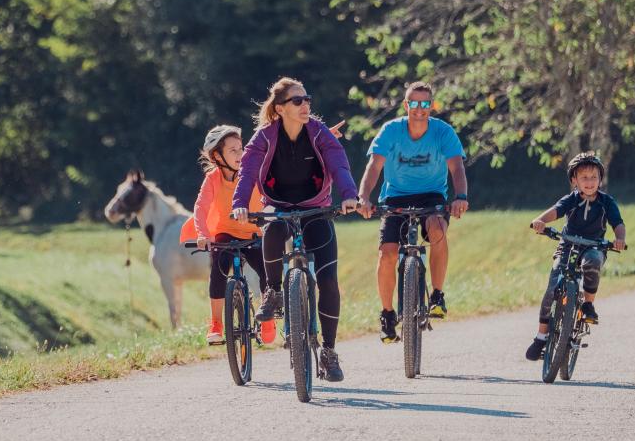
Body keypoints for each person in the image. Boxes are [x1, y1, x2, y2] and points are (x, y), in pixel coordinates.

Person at [232, 77, 358, 381]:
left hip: (316, 208)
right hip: (280, 205)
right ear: (280, 109)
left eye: (307, 99)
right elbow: (247, 170)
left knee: (328, 281)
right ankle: (273, 291)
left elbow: (339, 163)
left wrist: (350, 194)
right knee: (273, 226)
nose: (306, 105)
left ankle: (328, 352)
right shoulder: (264, 137)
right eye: (297, 101)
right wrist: (240, 203)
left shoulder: (319, 133)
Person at [356, 81, 469, 343]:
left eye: (425, 104)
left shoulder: (443, 132)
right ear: (406, 105)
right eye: (414, 104)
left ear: (431, 106)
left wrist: (460, 197)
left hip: (432, 196)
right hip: (396, 196)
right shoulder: (391, 130)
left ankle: (438, 294)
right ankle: (387, 314)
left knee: (437, 229)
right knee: (387, 254)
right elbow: (374, 167)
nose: (420, 109)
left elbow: (457, 168)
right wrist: (364, 197)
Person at [524, 152, 626, 361]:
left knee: (593, 262)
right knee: (553, 287)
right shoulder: (571, 199)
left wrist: (619, 238)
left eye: (594, 177)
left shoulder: (607, 202)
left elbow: (618, 223)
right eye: (584, 178)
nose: (589, 182)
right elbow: (555, 211)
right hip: (568, 245)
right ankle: (541, 336)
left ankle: (588, 304)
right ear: (574, 180)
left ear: (600, 179)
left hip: (593, 246)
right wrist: (540, 221)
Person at [179, 125, 271, 345]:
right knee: (219, 271)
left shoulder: (252, 173)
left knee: (267, 272)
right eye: (233, 150)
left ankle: (267, 317)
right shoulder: (212, 179)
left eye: (241, 148)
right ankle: (216, 323)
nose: (240, 154)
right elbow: (201, 208)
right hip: (225, 233)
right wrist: (202, 234)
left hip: (253, 232)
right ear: (217, 156)